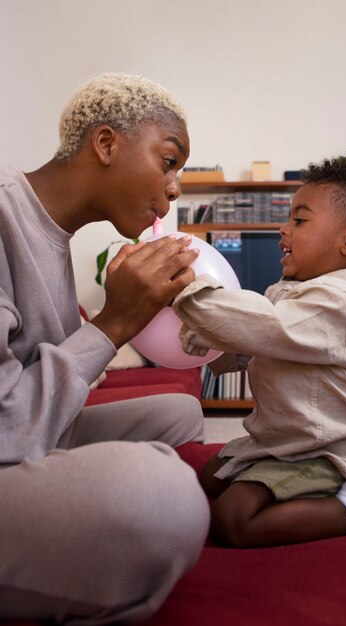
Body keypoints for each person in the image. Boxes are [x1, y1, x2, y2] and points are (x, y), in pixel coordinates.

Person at [0, 73, 210, 623]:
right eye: (169, 160)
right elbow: (5, 428)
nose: (175, 188)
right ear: (107, 144)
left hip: (25, 438)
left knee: (180, 412)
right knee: (161, 493)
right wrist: (113, 323)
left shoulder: (51, 233)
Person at [173, 157, 346, 548]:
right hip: (277, 440)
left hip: (321, 449)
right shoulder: (290, 291)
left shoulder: (337, 301)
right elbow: (257, 344)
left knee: (233, 520)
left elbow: (268, 327)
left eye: (300, 221)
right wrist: (208, 338)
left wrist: (189, 294)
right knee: (209, 478)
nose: (283, 228)